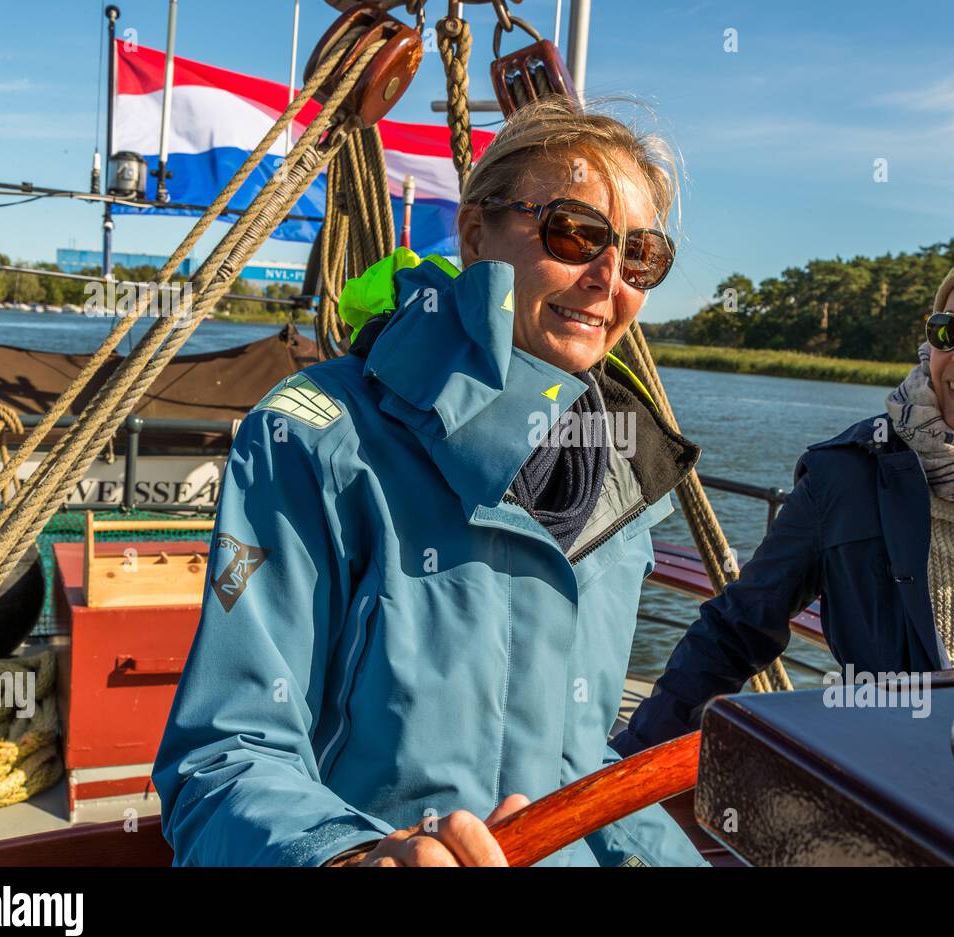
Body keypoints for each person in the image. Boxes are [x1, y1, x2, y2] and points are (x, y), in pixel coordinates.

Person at [152, 96, 707, 866]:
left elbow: (579, 768)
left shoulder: (619, 472)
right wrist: (347, 856)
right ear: (477, 233)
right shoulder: (317, 436)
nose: (607, 277)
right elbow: (223, 760)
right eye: (575, 232)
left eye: (641, 254)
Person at [611, 232, 954, 755]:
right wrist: (624, 776)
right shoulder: (852, 474)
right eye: (950, 330)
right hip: (893, 795)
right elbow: (734, 632)